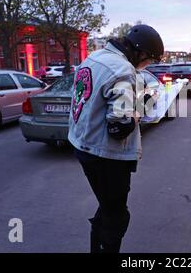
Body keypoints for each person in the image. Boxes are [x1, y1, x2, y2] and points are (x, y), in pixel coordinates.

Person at [68, 24, 164, 253]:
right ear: (140, 52)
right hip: (106, 155)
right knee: (117, 216)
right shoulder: (122, 70)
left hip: (83, 143)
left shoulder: (95, 58)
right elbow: (119, 127)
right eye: (149, 60)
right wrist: (141, 108)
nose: (146, 65)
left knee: (107, 207)